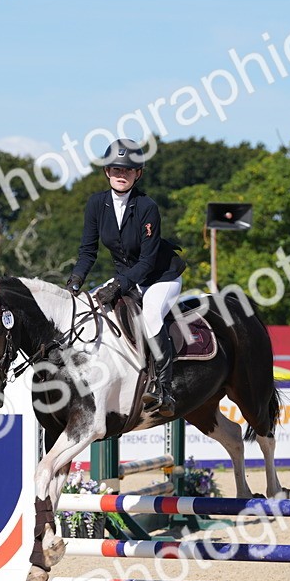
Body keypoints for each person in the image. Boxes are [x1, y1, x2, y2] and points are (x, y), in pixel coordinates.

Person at [65, 138, 186, 415]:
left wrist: (119, 285)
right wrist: (75, 281)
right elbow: (87, 251)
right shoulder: (97, 204)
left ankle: (164, 390)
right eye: (116, 170)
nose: (122, 175)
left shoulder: (147, 207)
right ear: (107, 172)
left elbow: (147, 261)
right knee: (93, 307)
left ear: (137, 174)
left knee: (152, 314)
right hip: (128, 276)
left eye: (128, 171)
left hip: (160, 277)